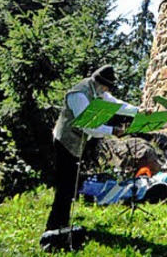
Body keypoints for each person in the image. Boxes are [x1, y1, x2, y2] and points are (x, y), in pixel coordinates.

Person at [43, 64, 138, 237]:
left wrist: (140, 112)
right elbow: (87, 126)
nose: (108, 89)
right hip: (63, 141)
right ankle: (53, 228)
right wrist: (113, 131)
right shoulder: (79, 95)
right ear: (100, 83)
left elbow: (118, 105)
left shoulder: (98, 92)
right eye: (107, 86)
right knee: (65, 187)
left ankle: (61, 224)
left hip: (76, 143)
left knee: (71, 186)